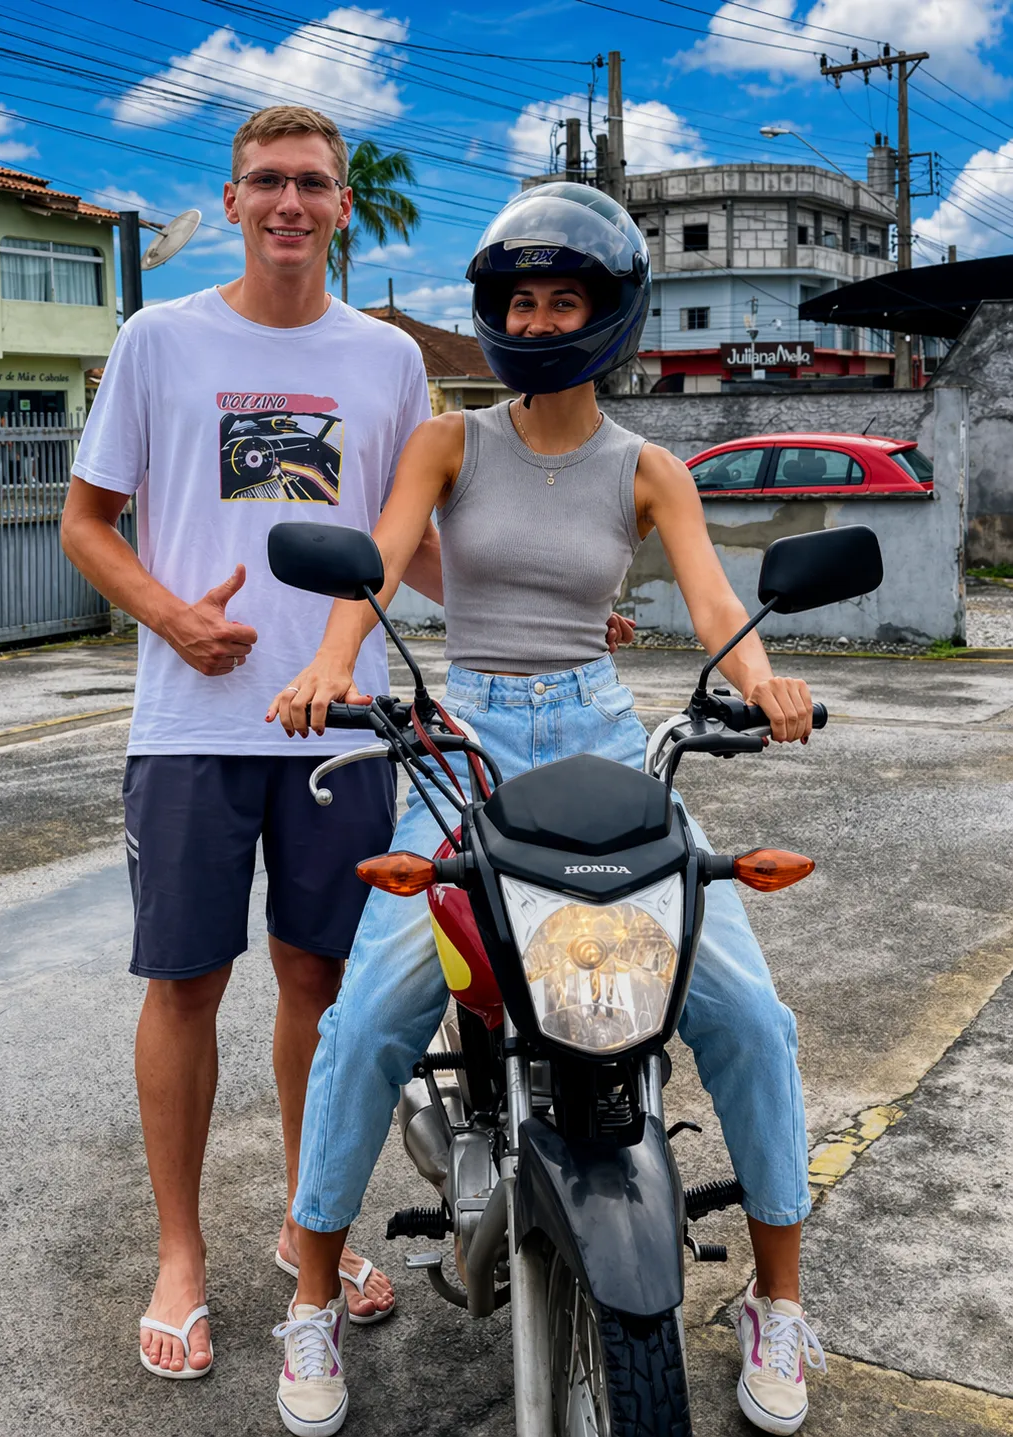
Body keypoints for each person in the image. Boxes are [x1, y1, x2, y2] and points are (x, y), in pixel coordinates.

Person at [266, 183, 827, 1437]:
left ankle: (780, 1299)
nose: (535, 318)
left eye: (562, 298)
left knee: (745, 1009)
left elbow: (715, 604)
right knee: (371, 1014)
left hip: (600, 741)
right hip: (463, 743)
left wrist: (762, 681)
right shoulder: (450, 443)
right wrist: (330, 667)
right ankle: (310, 1298)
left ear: (608, 313)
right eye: (519, 299)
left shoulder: (649, 469)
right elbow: (374, 567)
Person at [60, 103, 447, 1378]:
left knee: (321, 989)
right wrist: (174, 618)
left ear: (343, 205)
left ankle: (305, 1222)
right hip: (192, 727)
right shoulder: (159, 339)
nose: (290, 202)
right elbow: (86, 523)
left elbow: (408, 540)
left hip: (343, 726)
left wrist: (543, 609)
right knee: (185, 984)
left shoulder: (388, 359)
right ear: (231, 201)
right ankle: (179, 1254)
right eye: (267, 181)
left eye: (313, 183)